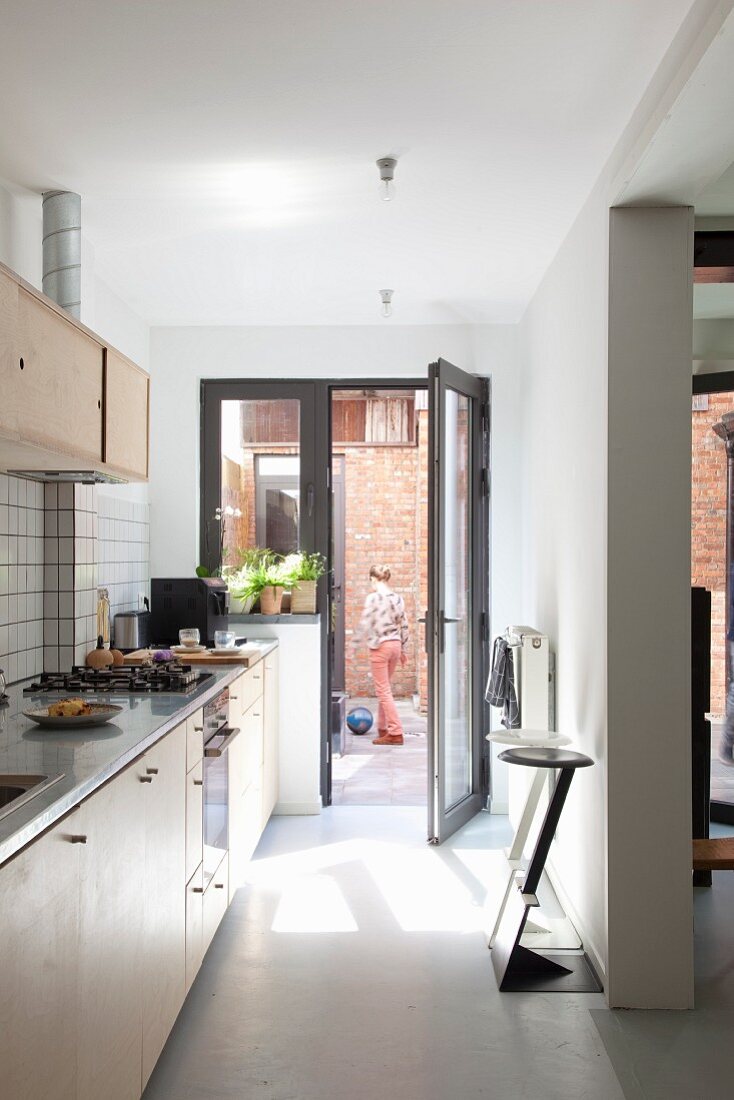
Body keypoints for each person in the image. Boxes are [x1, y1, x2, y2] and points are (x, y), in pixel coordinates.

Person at [356, 564, 410, 746]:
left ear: (373, 579)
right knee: (384, 688)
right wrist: (403, 649)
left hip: (380, 647)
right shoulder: (398, 598)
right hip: (395, 645)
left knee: (383, 691)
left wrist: (351, 647)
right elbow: (404, 625)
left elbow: (364, 624)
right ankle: (383, 728)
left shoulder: (373, 598)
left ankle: (395, 732)